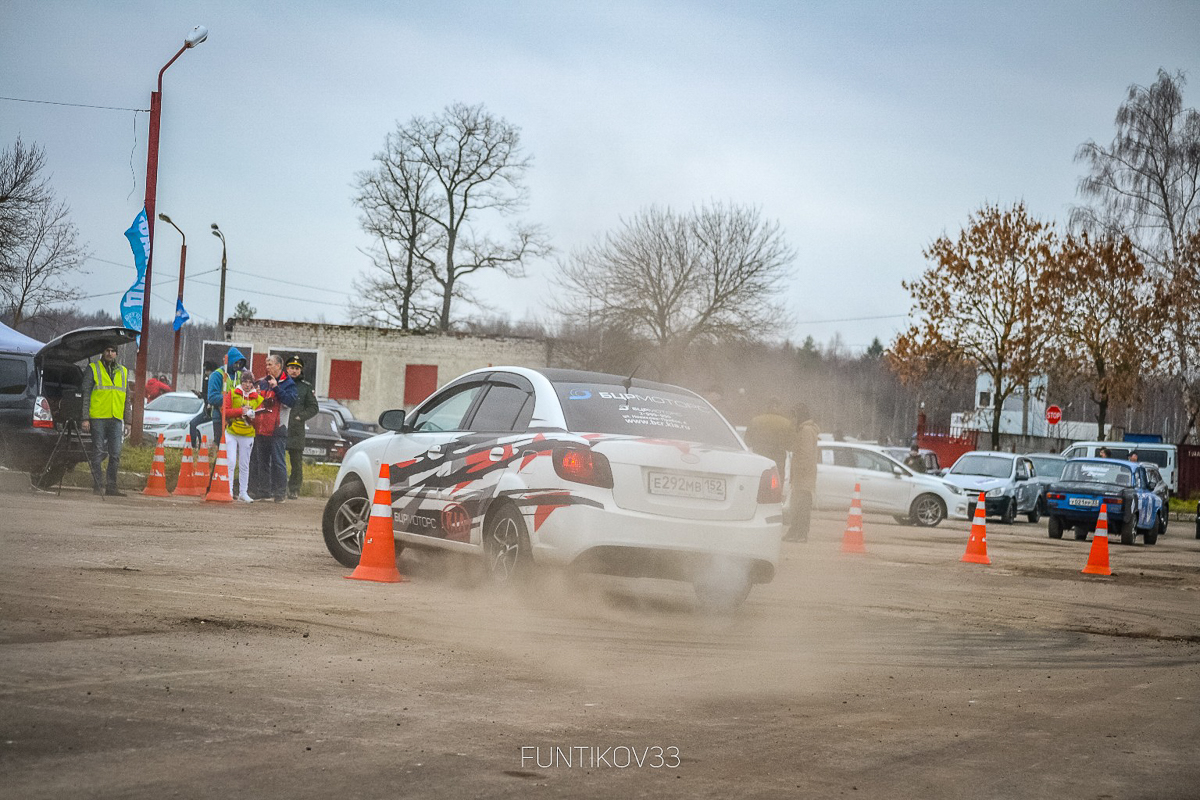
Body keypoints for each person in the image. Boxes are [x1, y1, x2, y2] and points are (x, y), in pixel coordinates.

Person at [81, 344, 131, 497]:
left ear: (116, 353)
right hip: (98, 417)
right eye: (107, 350)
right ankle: (97, 485)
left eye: (113, 351)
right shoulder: (93, 368)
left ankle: (111, 487)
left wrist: (128, 421)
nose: (110, 353)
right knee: (98, 452)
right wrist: (85, 418)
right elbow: (86, 394)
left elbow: (127, 397)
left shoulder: (123, 371)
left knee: (115, 454)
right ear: (103, 352)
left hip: (115, 418)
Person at [247, 354, 297, 502]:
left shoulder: (288, 383)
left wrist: (277, 388)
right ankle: (263, 490)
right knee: (261, 460)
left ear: (279, 366)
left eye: (270, 364)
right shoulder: (263, 382)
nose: (267, 367)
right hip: (262, 425)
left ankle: (280, 492)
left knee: (278, 460)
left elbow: (291, 402)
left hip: (278, 426)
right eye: (266, 364)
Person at [223, 371, 262, 502]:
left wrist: (253, 416)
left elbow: (261, 417)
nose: (247, 385)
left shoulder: (257, 397)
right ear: (241, 382)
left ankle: (243, 492)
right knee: (231, 461)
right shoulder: (233, 393)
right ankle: (228, 491)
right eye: (245, 381)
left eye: (250, 382)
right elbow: (225, 411)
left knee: (245, 464)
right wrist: (241, 411)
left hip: (248, 433)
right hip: (232, 432)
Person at [284, 355, 319, 499]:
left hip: (296, 429)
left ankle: (294, 489)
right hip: (280, 426)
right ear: (286, 369)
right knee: (277, 459)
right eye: (291, 368)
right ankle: (277, 486)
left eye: (297, 368)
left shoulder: (306, 387)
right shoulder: (281, 383)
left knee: (296, 462)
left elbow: (314, 407)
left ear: (301, 370)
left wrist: (301, 416)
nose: (294, 371)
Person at [787, 403, 819, 543]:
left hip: (803, 476)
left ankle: (800, 533)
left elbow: (805, 454)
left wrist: (798, 473)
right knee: (798, 505)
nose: (792, 419)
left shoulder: (805, 430)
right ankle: (795, 531)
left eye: (794, 415)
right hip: (803, 476)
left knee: (801, 506)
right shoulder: (804, 429)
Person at [204, 347, 247, 449]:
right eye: (236, 363)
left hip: (236, 417)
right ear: (230, 361)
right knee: (221, 446)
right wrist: (230, 398)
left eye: (240, 364)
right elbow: (212, 397)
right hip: (220, 417)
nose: (238, 366)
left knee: (232, 448)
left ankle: (230, 465)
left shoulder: (241, 375)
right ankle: (216, 465)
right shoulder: (217, 375)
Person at [744, 397, 795, 476]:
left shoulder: (755, 421)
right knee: (777, 479)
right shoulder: (787, 423)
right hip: (778, 458)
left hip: (760, 455)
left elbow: (747, 441)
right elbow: (790, 445)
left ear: (766, 406)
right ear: (779, 407)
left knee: (760, 477)